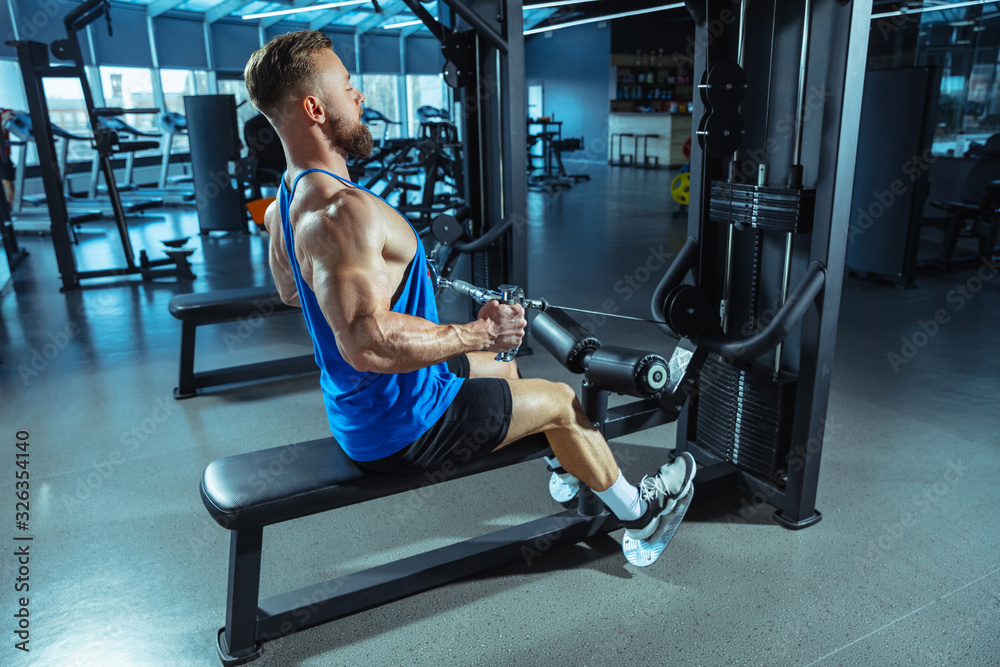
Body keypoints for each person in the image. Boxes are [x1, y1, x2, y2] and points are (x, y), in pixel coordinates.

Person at [243, 31, 694, 555]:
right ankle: (642, 517)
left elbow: (291, 291)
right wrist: (477, 331)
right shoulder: (342, 212)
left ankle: (565, 467)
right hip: (401, 427)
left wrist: (391, 291)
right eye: (348, 86)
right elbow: (366, 345)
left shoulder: (284, 202)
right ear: (315, 108)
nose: (360, 96)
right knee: (563, 400)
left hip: (360, 410)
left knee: (504, 366)